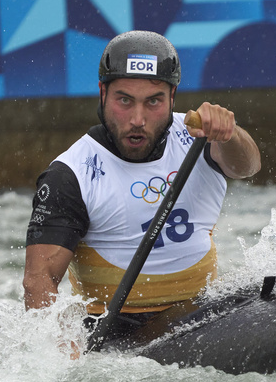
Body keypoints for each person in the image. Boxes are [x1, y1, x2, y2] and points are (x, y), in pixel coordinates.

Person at [23, 30, 261, 358]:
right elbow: (39, 280)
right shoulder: (70, 174)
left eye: (153, 101)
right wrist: (58, 359)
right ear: (102, 93)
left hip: (203, 312)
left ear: (172, 96)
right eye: (124, 100)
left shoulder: (198, 137)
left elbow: (247, 167)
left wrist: (230, 135)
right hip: (116, 333)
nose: (138, 119)